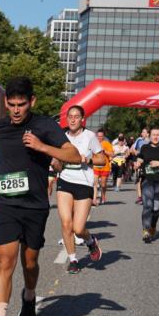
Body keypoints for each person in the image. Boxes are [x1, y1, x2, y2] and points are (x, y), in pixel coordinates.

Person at [0, 77, 81, 316]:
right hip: (5, 204)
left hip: (35, 206)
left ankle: (29, 296)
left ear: (32, 101)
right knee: (4, 259)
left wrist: (42, 147)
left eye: (21, 104)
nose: (16, 110)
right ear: (6, 103)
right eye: (12, 105)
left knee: (29, 263)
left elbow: (74, 155)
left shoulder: (45, 126)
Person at [53, 105, 105, 274]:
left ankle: (90, 241)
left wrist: (87, 160)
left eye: (76, 116)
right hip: (65, 181)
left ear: (83, 119)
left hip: (84, 183)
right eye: (70, 116)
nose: (73, 119)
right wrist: (56, 163)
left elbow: (102, 159)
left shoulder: (89, 136)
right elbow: (56, 163)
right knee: (66, 223)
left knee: (78, 228)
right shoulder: (61, 137)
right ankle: (73, 260)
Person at [133, 127, 159, 243]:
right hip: (147, 180)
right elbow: (140, 158)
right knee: (147, 205)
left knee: (156, 208)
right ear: (149, 136)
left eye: (158, 135)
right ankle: (146, 231)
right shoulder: (145, 147)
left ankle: (153, 226)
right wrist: (137, 163)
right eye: (153, 135)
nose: (156, 137)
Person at [92, 129, 113, 205]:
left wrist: (104, 151)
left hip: (105, 166)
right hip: (95, 166)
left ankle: (103, 196)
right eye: (98, 136)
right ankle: (94, 199)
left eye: (101, 136)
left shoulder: (107, 144)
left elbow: (112, 154)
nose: (99, 138)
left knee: (103, 184)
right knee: (95, 183)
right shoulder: (93, 143)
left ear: (103, 136)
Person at [131, 128, 149, 204]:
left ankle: (148, 195)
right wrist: (135, 152)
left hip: (148, 163)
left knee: (148, 180)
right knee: (139, 179)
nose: (142, 133)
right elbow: (132, 149)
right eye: (142, 132)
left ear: (148, 134)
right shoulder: (139, 140)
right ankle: (140, 197)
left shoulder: (151, 141)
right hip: (139, 162)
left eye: (144, 132)